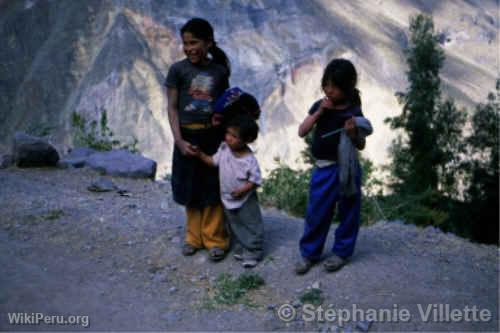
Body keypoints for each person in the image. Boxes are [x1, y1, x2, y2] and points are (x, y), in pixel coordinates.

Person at [295, 58, 373, 275]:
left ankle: (342, 252)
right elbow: (302, 131)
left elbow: (361, 143)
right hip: (324, 169)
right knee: (317, 211)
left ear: (347, 87)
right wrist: (320, 112)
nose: (329, 91)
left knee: (349, 211)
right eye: (326, 85)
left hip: (347, 168)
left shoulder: (353, 112)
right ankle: (309, 253)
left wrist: (352, 132)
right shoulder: (320, 106)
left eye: (334, 87)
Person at [164, 17, 231, 261]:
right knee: (190, 188)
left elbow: (224, 105)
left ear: (209, 42)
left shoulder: (219, 72)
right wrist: (179, 141)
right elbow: (172, 107)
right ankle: (193, 237)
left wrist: (221, 123)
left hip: (211, 136)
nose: (190, 48)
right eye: (186, 43)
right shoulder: (178, 70)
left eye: (194, 42)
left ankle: (215, 239)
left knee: (212, 187)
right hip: (186, 135)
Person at [194, 114, 264, 268]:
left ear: (246, 140)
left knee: (251, 223)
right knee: (235, 223)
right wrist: (200, 155)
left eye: (234, 136)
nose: (229, 138)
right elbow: (213, 162)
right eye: (228, 133)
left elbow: (255, 180)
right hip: (227, 198)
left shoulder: (249, 160)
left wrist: (242, 190)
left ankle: (254, 250)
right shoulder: (224, 149)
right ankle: (243, 245)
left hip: (245, 199)